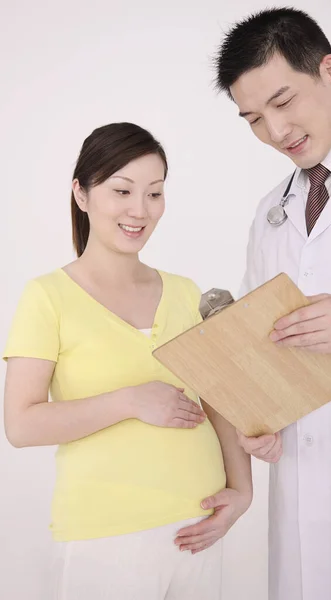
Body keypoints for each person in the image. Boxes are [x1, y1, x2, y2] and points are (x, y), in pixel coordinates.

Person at [3, 122, 252, 600]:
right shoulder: (47, 297)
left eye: (154, 193)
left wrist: (242, 491)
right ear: (81, 193)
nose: (140, 210)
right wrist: (130, 400)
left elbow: (220, 400)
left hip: (200, 526)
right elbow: (21, 425)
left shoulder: (184, 292)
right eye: (122, 190)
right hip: (106, 534)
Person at [214, 7, 331, 600]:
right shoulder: (272, 213)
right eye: (253, 119)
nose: (274, 131)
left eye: (284, 101)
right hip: (299, 474)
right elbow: (255, 348)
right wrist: (256, 419)